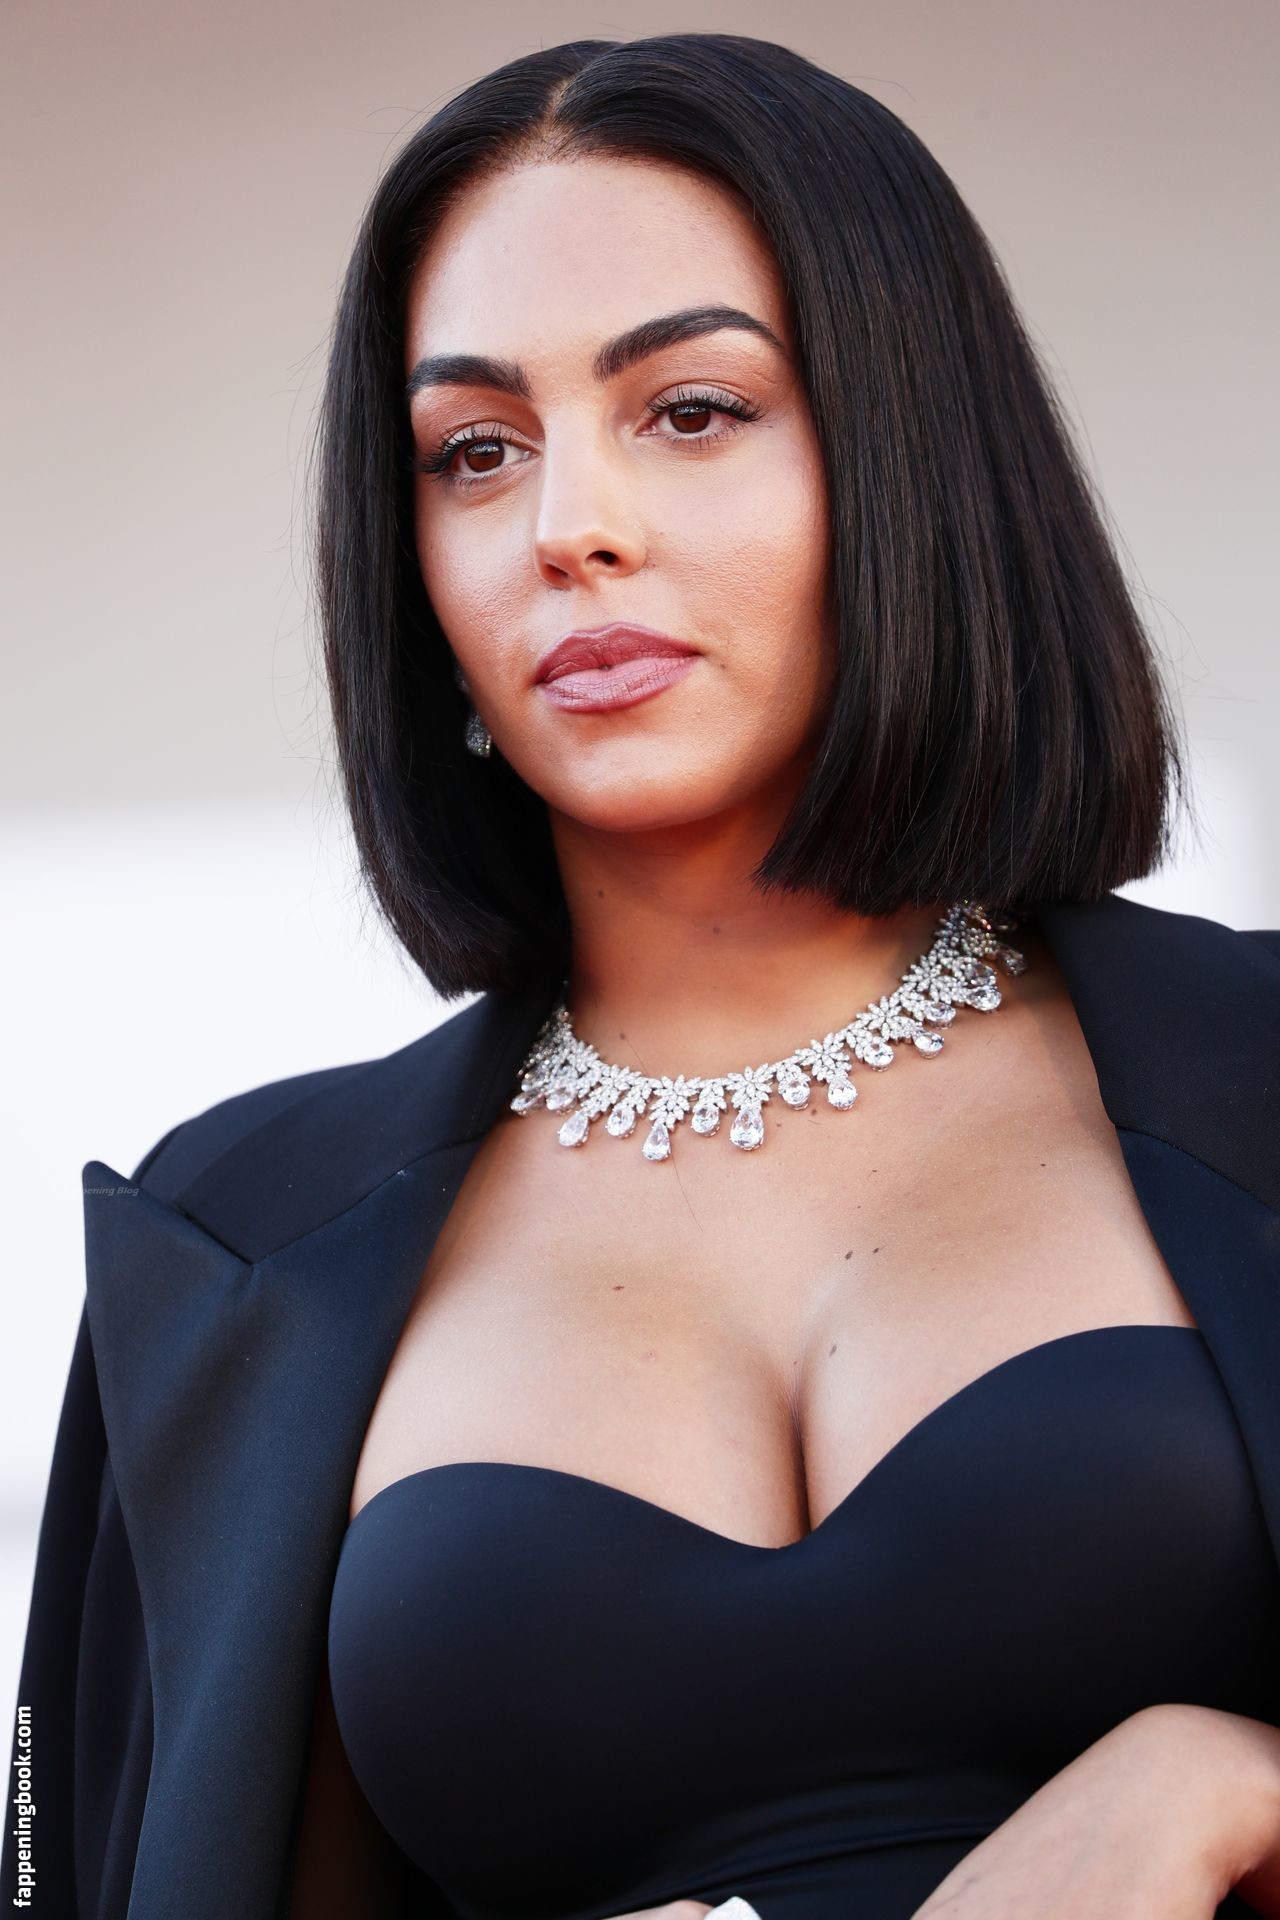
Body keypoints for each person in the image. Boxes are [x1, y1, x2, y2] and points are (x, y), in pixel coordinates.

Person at [5, 31, 1280, 1920]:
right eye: (475, 451)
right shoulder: (231, 1259)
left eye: (691, 409)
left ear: (913, 465)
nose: (566, 528)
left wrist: (1220, 1790)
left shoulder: (1256, 1075)